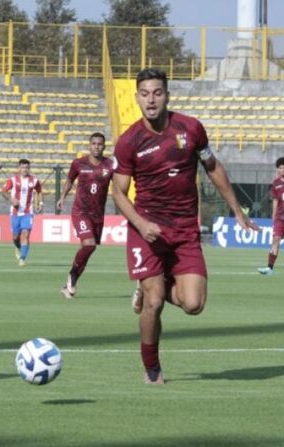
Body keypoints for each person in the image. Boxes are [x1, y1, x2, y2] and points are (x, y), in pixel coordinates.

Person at [112, 68, 258, 385]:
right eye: (145, 93)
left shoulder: (191, 129)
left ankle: (155, 283)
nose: (151, 99)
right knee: (153, 302)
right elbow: (118, 194)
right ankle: (152, 369)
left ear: (167, 95)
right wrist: (140, 222)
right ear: (137, 97)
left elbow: (212, 166)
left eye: (157, 92)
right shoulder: (128, 141)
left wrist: (236, 207)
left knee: (193, 305)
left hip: (184, 231)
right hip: (146, 230)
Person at [57, 132, 115, 299]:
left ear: (104, 146)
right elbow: (69, 180)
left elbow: (118, 186)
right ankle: (72, 275)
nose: (96, 146)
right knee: (89, 244)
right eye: (94, 143)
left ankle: (70, 282)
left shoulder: (110, 165)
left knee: (89, 249)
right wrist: (62, 197)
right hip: (80, 211)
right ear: (89, 145)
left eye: (100, 144)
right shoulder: (78, 163)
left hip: (98, 214)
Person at [1, 159, 43, 266]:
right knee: (15, 237)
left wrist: (40, 203)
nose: (25, 170)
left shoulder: (33, 180)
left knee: (26, 234)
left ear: (29, 168)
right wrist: (11, 199)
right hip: (15, 213)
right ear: (19, 168)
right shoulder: (13, 180)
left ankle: (22, 258)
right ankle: (18, 247)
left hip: (28, 212)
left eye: (27, 168)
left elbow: (39, 191)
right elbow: (3, 191)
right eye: (23, 167)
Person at [258, 157, 284, 276]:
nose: (281, 170)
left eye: (283, 167)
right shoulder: (276, 183)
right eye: (279, 168)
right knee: (275, 241)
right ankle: (270, 268)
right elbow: (275, 201)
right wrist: (273, 217)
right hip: (280, 218)